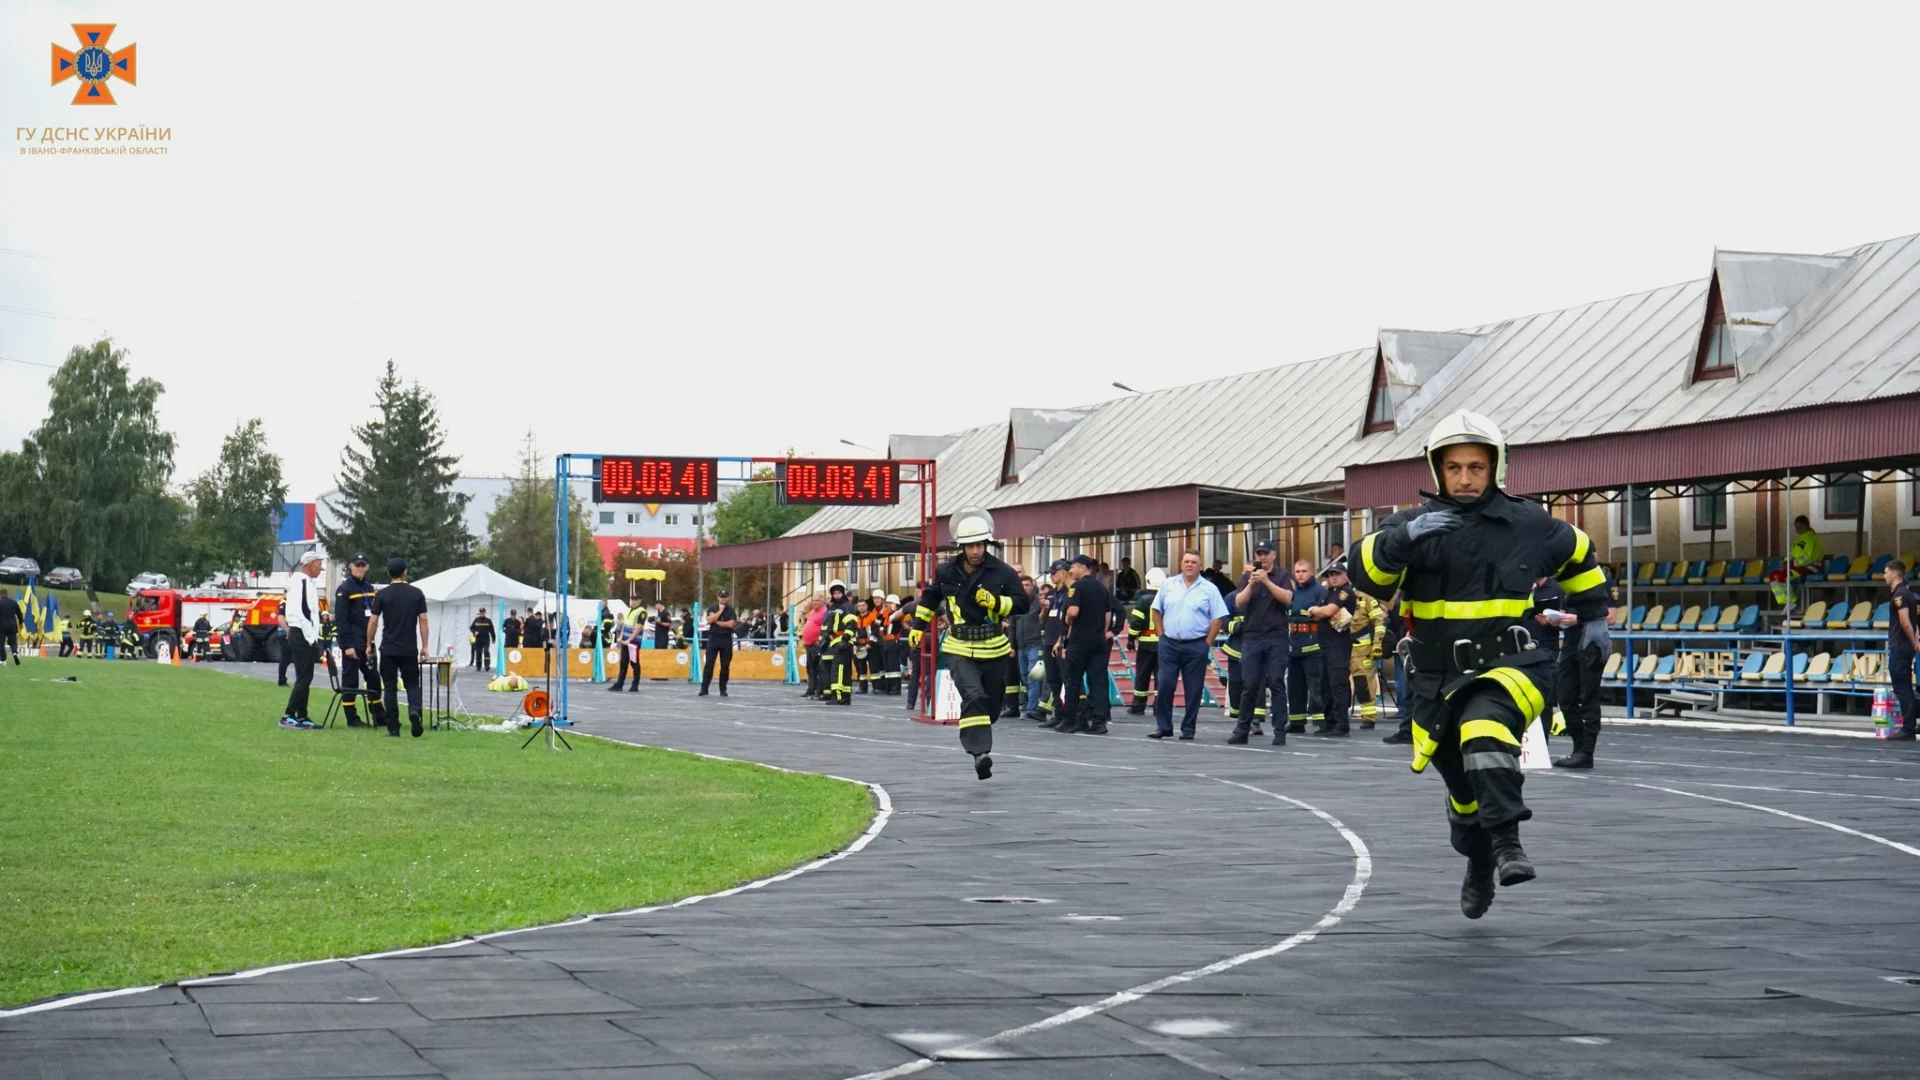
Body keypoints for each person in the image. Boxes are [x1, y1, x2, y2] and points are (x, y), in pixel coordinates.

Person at [1350, 409, 1608, 919]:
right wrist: (1404, 539)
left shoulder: (1530, 523)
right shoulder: (1408, 527)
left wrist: (1594, 617)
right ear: (1436, 471)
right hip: (1436, 679)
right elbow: (1367, 574)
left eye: (1475, 467)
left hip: (1515, 663)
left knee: (1484, 727)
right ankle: (1479, 858)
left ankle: (1508, 843)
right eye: (1454, 468)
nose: (1465, 478)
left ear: (1496, 467)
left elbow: (1581, 555)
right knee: (1464, 798)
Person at [906, 508, 1029, 778]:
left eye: (980, 544)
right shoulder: (946, 571)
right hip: (959, 646)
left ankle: (979, 738)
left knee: (991, 706)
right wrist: (917, 627)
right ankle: (980, 753)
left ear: (987, 544)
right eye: (971, 545)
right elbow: (929, 599)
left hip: (994, 646)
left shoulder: (1003, 572)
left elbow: (1023, 603)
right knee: (974, 696)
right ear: (961, 547)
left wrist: (996, 602)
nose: (976, 550)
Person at [1149, 550, 1228, 740]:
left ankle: (1188, 729)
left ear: (1200, 565)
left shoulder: (1209, 589)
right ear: (1181, 563)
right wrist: (1161, 636)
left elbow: (1218, 618)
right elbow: (1155, 609)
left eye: (1193, 562)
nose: (1189, 565)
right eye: (1186, 561)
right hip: (1169, 644)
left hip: (1196, 645)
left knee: (1193, 690)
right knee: (1165, 684)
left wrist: (1207, 644)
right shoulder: (1168, 585)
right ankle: (1164, 726)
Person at [1232, 543, 1293, 745]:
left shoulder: (1283, 575)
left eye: (1266, 553)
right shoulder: (1248, 577)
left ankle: (1279, 732)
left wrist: (1266, 581)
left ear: (1273, 554)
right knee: (1249, 684)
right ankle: (1242, 730)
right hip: (1252, 637)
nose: (1263, 557)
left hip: (1276, 637)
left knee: (1276, 682)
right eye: (1259, 554)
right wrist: (1251, 583)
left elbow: (1287, 598)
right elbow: (1239, 602)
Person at [367, 557, 430, 738]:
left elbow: (373, 621)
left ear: (389, 573)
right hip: (409, 647)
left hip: (388, 648)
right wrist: (424, 646)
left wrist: (369, 643)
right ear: (405, 572)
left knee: (390, 687)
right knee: (411, 683)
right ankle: (415, 711)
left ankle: (393, 727)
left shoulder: (382, 595)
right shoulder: (416, 593)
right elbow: (423, 619)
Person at [1053, 554, 1115, 735]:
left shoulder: (1077, 587)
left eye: (1073, 567)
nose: (1070, 570)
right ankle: (1099, 722)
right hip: (1098, 641)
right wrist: (1102, 633)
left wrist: (1067, 618)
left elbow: (1073, 611)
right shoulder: (1102, 588)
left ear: (1083, 568)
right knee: (1097, 683)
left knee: (1073, 680)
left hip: (1079, 641)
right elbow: (1107, 616)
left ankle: (1070, 721)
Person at [332, 552, 386, 729]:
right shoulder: (345, 589)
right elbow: (341, 619)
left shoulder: (369, 589)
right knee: (351, 680)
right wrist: (346, 645)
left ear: (367, 567)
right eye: (357, 565)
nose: (360, 568)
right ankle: (352, 718)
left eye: (363, 565)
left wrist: (370, 642)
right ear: (350, 566)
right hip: (352, 642)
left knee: (373, 677)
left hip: (367, 641)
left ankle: (379, 715)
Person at [1283, 560, 1333, 735]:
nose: (1300, 574)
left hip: (1313, 644)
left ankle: (1322, 721)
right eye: (1297, 571)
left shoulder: (1320, 591)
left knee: (1317, 685)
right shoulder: (1292, 592)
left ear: (1312, 572)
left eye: (1304, 571)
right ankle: (1297, 722)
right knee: (1294, 685)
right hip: (1294, 644)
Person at [278, 550, 324, 730]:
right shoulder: (302, 582)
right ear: (310, 564)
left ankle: (302, 715)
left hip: (301, 632)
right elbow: (304, 610)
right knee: (305, 676)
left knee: (304, 676)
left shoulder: (303, 582)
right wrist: (310, 635)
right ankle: (288, 715)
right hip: (302, 633)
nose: (321, 568)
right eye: (319, 564)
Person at [1315, 562, 1358, 736]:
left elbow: (1326, 611)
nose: (1333, 577)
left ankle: (1341, 722)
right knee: (1325, 683)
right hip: (1325, 643)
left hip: (1339, 645)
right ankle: (1329, 720)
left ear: (1345, 575)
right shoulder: (1329, 592)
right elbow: (1318, 612)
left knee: (1337, 683)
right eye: (1331, 574)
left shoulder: (1345, 592)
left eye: (1337, 574)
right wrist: (1317, 610)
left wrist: (1316, 610)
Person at [1124, 567, 1165, 715]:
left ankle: (1138, 705)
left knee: (1143, 675)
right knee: (1161, 676)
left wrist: (1130, 639)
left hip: (1146, 645)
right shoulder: (1167, 597)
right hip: (1163, 644)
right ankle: (1159, 706)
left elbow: (1136, 623)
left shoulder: (1143, 600)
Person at [1885, 562, 1918, 740]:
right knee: (1905, 685)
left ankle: (1908, 727)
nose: (1884, 576)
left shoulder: (1900, 595)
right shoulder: (1910, 594)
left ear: (1895, 573)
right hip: (1905, 646)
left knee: (1902, 686)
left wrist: (1914, 642)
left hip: (1900, 646)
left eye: (1886, 572)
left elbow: (1906, 623)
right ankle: (1910, 724)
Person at [1348, 587, 1383, 729]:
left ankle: (1369, 716)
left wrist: (1377, 644)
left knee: (1363, 682)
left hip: (1362, 649)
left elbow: (1379, 622)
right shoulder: (1339, 596)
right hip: (1341, 647)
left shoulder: (1366, 598)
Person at [1012, 575, 1045, 719]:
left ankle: (1032, 709)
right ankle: (1032, 705)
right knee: (1025, 678)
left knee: (1034, 677)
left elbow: (1043, 619)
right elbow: (1012, 625)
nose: (1025, 588)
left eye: (1027, 585)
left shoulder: (1039, 602)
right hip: (1020, 646)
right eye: (1022, 585)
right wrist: (1011, 645)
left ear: (1033, 586)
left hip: (1035, 644)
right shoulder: (1017, 603)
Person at [823, 581, 856, 705]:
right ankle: (845, 697)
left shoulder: (847, 606)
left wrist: (846, 639)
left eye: (839, 593)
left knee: (838, 670)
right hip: (835, 642)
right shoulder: (833, 608)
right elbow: (830, 624)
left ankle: (838, 697)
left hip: (843, 643)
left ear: (843, 593)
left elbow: (852, 625)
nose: (836, 595)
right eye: (834, 593)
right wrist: (827, 635)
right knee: (844, 670)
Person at [701, 588, 736, 696]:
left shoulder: (731, 610)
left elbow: (731, 624)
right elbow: (709, 620)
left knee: (725, 665)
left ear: (728, 598)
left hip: (726, 638)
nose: (723, 599)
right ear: (717, 597)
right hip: (714, 638)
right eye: (721, 597)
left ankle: (723, 689)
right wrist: (720, 611)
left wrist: (717, 621)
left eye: (725, 597)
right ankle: (704, 689)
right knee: (709, 664)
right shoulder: (713, 607)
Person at [609, 605, 642, 693]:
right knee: (623, 663)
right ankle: (619, 684)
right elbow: (625, 625)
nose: (633, 601)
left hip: (634, 642)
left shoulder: (641, 612)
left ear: (639, 601)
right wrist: (621, 636)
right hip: (625, 641)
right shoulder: (629, 611)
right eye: (632, 599)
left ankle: (635, 684)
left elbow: (638, 628)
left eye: (635, 599)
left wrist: (630, 639)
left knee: (634, 663)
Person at [800, 595, 826, 699]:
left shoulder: (824, 612)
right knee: (810, 668)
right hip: (809, 644)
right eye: (813, 600)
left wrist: (820, 640)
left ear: (822, 602)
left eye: (817, 600)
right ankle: (811, 689)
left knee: (819, 668)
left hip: (816, 644)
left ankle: (819, 689)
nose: (815, 602)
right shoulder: (812, 612)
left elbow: (825, 627)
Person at [0, 588, 20, 665]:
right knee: (13, 642)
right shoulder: (14, 603)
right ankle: (14, 652)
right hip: (12, 625)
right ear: (7, 594)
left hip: (2, 626)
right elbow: (19, 614)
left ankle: (3, 659)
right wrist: (21, 623)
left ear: (0, 594)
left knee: (1, 644)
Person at [275, 600, 292, 686]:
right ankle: (281, 680)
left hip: (286, 634)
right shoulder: (284, 604)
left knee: (288, 658)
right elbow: (280, 619)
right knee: (285, 658)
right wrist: (288, 631)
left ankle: (282, 678)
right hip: (284, 634)